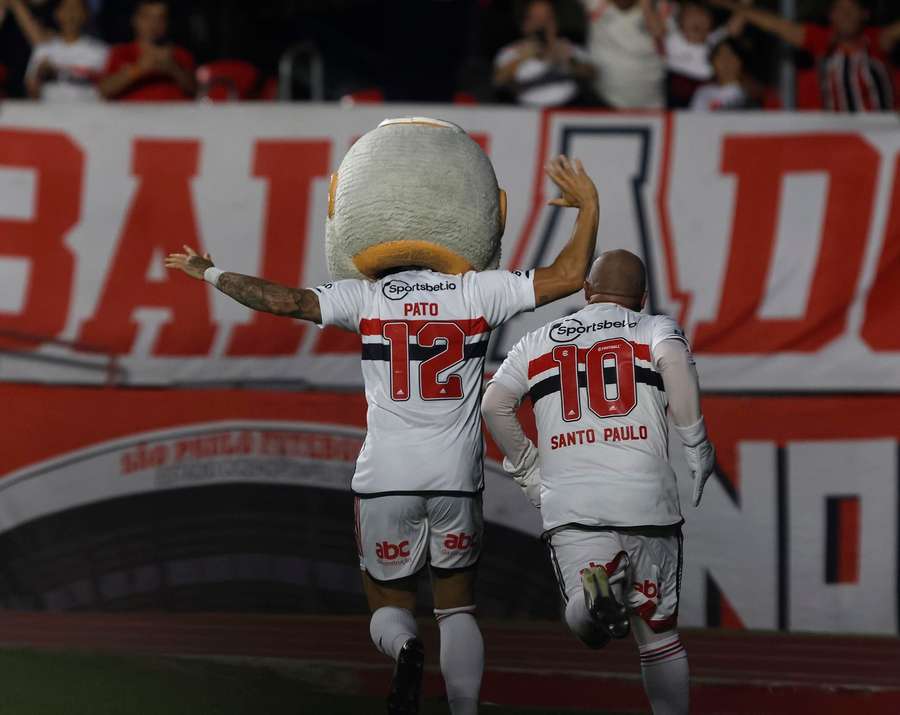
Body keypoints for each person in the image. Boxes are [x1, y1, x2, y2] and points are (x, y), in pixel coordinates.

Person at [166, 153, 600, 715]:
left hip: (385, 477)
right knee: (458, 608)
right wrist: (588, 206)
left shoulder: (365, 299)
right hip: (455, 478)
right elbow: (569, 277)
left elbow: (283, 300)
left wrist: (210, 272)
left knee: (387, 605)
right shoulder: (476, 292)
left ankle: (405, 647)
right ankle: (463, 708)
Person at [481, 250, 715, 715]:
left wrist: (529, 469)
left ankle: (595, 598)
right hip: (646, 499)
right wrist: (696, 444)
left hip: (574, 503)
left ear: (587, 292)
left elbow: (494, 405)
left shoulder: (537, 340)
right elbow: (674, 366)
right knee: (659, 636)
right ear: (642, 299)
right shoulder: (655, 328)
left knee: (588, 631)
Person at [711, 0, 900, 111]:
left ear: (863, 14)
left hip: (883, 133)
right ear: (831, 16)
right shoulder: (822, 41)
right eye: (840, 10)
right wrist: (729, 4)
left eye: (851, 10)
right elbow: (775, 25)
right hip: (842, 137)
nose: (846, 15)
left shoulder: (877, 41)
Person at [494, 0, 595, 107]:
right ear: (525, 25)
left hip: (568, 109)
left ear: (556, 23)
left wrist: (569, 62)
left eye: (548, 18)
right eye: (536, 19)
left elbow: (591, 73)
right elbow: (498, 80)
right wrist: (523, 57)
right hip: (526, 113)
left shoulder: (568, 48)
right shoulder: (512, 51)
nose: (542, 25)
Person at [98, 0, 195, 101]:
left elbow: (195, 91)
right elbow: (104, 90)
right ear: (135, 20)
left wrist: (173, 68)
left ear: (167, 22)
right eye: (147, 18)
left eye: (160, 18)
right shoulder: (120, 52)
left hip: (176, 114)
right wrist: (139, 69)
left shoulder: (180, 54)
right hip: (132, 115)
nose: (154, 24)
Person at [580, 0, 667, 108]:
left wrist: (647, 6)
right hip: (605, 100)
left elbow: (658, 32)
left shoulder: (660, 7)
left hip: (651, 105)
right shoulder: (596, 4)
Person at [19, 0, 107, 101]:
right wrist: (41, 75)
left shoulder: (101, 51)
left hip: (88, 113)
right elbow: (31, 92)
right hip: (49, 113)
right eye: (66, 8)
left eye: (76, 9)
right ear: (57, 13)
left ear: (86, 14)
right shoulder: (43, 49)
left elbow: (106, 91)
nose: (70, 14)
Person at [665, 0, 748, 107]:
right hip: (671, 108)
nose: (697, 20)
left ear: (711, 21)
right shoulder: (669, 40)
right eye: (691, 14)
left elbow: (735, 25)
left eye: (702, 15)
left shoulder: (714, 43)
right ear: (680, 20)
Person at [690, 36, 749, 110]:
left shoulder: (748, 96)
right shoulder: (703, 93)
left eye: (731, 57)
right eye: (721, 57)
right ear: (713, 62)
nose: (726, 63)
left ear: (740, 62)